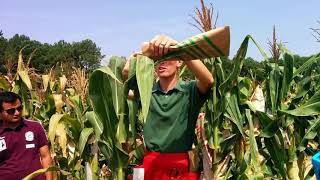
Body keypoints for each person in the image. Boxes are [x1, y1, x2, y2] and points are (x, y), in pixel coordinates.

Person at [123, 35, 213, 180]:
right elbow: (125, 80)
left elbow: (208, 80)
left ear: (179, 62)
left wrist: (178, 47)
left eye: (168, 57)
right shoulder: (146, 92)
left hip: (179, 166)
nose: (161, 63)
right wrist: (137, 56)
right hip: (151, 163)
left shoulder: (189, 91)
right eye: (157, 60)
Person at [0, 92, 53, 180]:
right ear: (0, 112)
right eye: (11, 111)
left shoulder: (35, 127)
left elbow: (46, 157)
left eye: (19, 108)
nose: (16, 113)